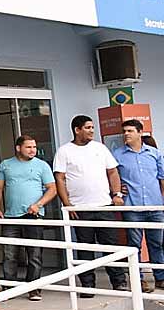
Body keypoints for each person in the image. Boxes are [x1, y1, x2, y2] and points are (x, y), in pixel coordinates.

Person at [54, 115, 126, 295]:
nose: (92, 131)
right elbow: (60, 179)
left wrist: (116, 194)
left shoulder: (100, 148)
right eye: (87, 128)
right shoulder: (64, 151)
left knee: (110, 246)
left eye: (92, 127)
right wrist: (67, 204)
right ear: (77, 130)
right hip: (80, 209)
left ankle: (119, 282)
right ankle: (87, 285)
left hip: (104, 206)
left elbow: (113, 172)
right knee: (85, 248)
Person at [0, 135, 56, 300]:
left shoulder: (42, 166)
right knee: (9, 254)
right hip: (11, 217)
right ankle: (10, 287)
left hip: (33, 216)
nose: (33, 150)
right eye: (28, 147)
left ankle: (34, 288)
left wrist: (39, 204)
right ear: (18, 148)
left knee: (34, 254)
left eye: (34, 147)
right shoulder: (6, 165)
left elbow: (52, 189)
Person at [114, 119, 164, 294]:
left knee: (157, 243)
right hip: (132, 207)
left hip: (155, 206)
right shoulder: (117, 154)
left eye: (130, 131)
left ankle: (160, 277)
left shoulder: (154, 153)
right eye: (125, 131)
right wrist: (117, 190)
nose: (126, 134)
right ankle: (139, 279)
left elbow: (162, 179)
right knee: (134, 245)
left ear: (140, 132)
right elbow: (112, 177)